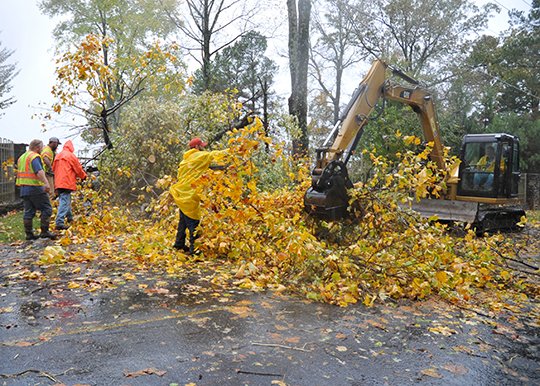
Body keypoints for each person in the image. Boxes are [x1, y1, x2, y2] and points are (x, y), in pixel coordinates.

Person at [169, 137, 228, 254]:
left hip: (180, 194)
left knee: (183, 221)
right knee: (194, 222)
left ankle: (179, 244)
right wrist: (232, 151)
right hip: (189, 195)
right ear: (196, 147)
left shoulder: (185, 160)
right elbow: (213, 155)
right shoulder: (199, 156)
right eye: (202, 146)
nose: (203, 148)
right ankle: (194, 250)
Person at [16, 139, 56, 240]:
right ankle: (44, 232)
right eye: (41, 147)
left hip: (24, 188)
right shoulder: (34, 156)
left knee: (29, 211)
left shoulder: (22, 157)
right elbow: (39, 171)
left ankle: (29, 234)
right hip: (35, 187)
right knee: (47, 209)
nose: (42, 149)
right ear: (37, 147)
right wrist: (47, 183)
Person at [52, 140, 87, 230]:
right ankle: (59, 222)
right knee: (64, 202)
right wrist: (84, 177)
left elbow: (53, 169)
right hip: (66, 182)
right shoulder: (71, 156)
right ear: (71, 148)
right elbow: (78, 169)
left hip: (58, 182)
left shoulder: (58, 156)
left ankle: (70, 218)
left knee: (65, 200)